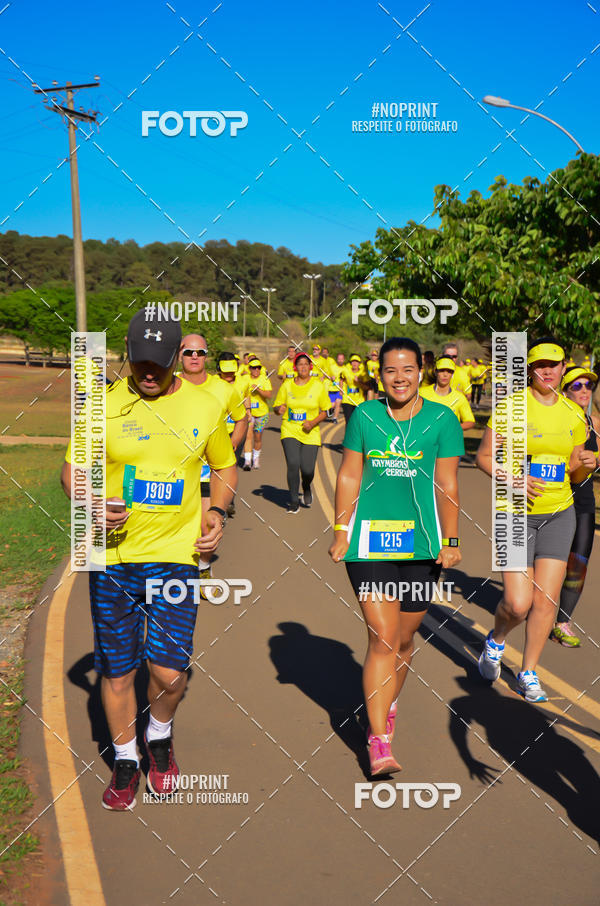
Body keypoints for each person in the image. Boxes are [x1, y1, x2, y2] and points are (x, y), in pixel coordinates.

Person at [60, 310, 237, 809]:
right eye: (140, 363)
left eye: (160, 363)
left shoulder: (204, 405)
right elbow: (72, 470)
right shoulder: (102, 405)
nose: (149, 373)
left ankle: (159, 734)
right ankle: (125, 758)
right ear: (127, 355)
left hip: (176, 559)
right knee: (116, 672)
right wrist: (92, 503)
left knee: (167, 672)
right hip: (111, 559)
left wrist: (218, 512)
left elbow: (223, 466)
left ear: (177, 357)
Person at [328, 337, 463, 776]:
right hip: (369, 544)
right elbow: (349, 473)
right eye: (390, 370)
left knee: (405, 640)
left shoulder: (442, 419)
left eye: (407, 369)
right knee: (383, 637)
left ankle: (386, 706)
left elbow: (446, 483)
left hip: (422, 545)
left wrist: (453, 539)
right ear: (380, 374)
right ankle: (378, 739)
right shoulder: (366, 416)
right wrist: (341, 529)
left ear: (420, 371)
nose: (399, 378)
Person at [476, 338, 593, 702]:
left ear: (563, 367)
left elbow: (573, 473)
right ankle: (496, 639)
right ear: (530, 369)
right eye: (539, 364)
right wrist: (514, 479)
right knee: (517, 603)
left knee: (545, 601)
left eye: (554, 364)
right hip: (513, 511)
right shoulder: (511, 407)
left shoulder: (574, 414)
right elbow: (483, 457)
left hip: (560, 513)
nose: (547, 371)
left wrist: (589, 465)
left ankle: (529, 671)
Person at [552, 365, 600, 646]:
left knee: (578, 562)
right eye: (577, 386)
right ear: (565, 390)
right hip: (551, 500)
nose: (584, 390)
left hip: (583, 501)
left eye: (588, 385)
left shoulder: (595, 422)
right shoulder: (553, 421)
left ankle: (563, 622)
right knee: (549, 562)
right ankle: (539, 608)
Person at [273, 352, 330, 513]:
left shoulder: (318, 386)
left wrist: (312, 423)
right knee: (293, 463)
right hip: (290, 428)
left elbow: (326, 411)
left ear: (310, 367)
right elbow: (277, 406)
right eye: (300, 364)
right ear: (295, 367)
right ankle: (293, 501)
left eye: (306, 364)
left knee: (308, 469)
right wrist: (278, 409)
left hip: (310, 432)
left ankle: (306, 486)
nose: (303, 367)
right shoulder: (287, 385)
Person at [420, 357, 475, 431]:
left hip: (449, 440)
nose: (445, 374)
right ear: (436, 372)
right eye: (442, 370)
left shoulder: (459, 397)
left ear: (452, 374)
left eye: (449, 371)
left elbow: (470, 421)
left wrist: (451, 428)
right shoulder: (422, 393)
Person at [243, 357, 272, 470]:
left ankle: (256, 459)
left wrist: (259, 390)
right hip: (249, 413)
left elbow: (269, 395)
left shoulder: (264, 379)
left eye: (258, 368)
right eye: (254, 368)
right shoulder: (245, 378)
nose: (256, 370)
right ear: (249, 368)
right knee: (248, 436)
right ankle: (247, 461)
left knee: (258, 437)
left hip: (262, 414)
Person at [340, 354, 366, 423]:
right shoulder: (346, 371)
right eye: (353, 361)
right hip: (347, 399)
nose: (354, 363)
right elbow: (341, 379)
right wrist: (341, 389)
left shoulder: (363, 373)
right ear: (350, 363)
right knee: (348, 422)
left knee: (358, 422)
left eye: (356, 362)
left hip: (359, 401)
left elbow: (367, 387)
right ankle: (348, 433)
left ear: (359, 363)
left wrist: (359, 382)